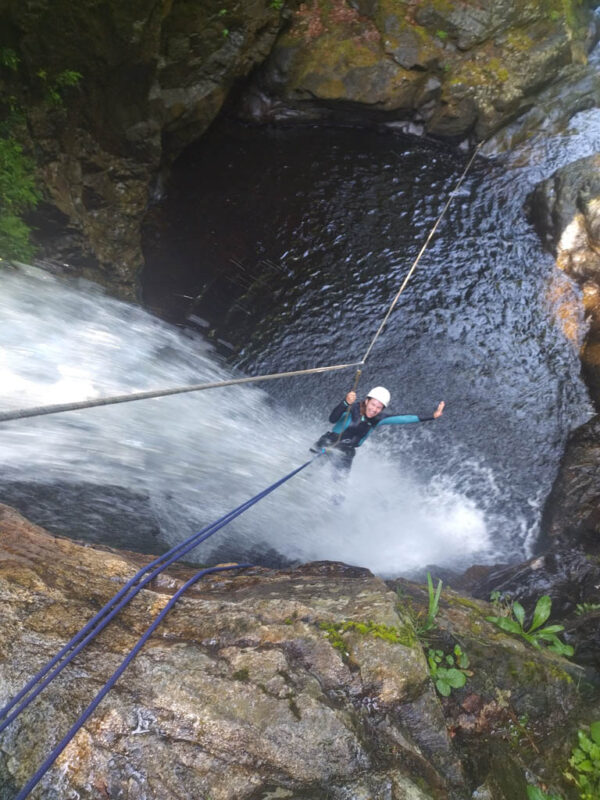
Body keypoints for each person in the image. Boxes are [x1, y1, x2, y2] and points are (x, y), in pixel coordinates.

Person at [311, 386, 445, 475]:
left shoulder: (378, 419)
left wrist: (432, 416)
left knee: (338, 486)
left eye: (379, 407)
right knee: (310, 469)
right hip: (329, 442)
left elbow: (404, 418)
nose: (374, 409)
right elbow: (332, 419)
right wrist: (345, 403)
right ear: (367, 401)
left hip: (347, 451)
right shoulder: (352, 409)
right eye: (373, 404)